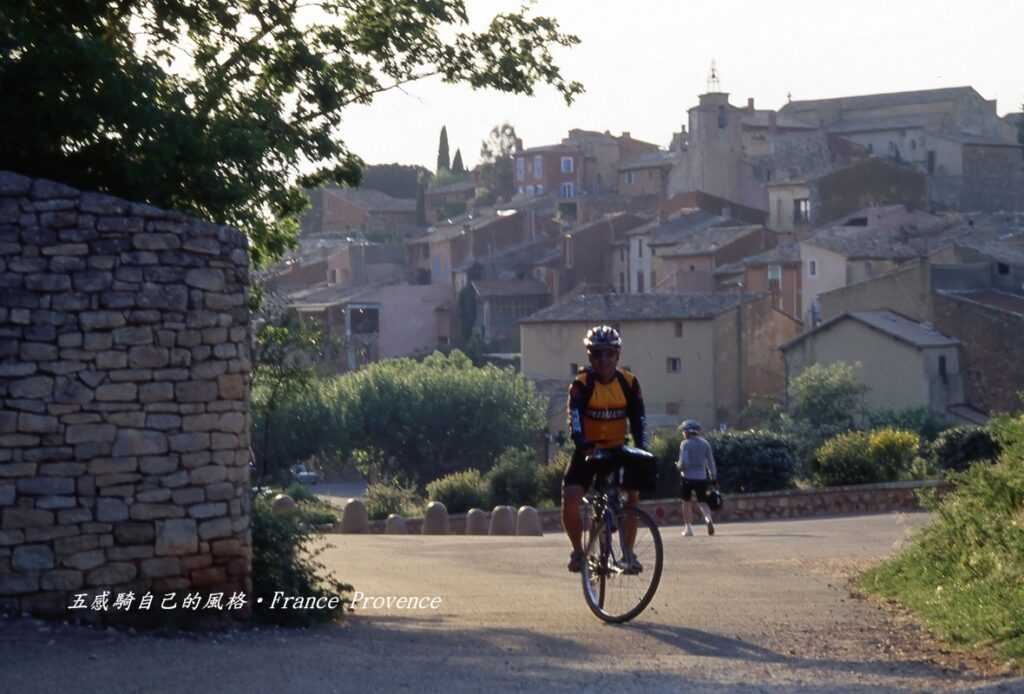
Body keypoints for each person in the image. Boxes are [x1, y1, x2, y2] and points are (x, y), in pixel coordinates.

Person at [561, 325, 650, 573]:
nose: (603, 360)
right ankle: (578, 552)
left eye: (609, 353)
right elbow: (575, 419)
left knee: (633, 496)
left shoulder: (629, 383)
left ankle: (629, 555)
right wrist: (583, 445)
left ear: (618, 355)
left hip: (617, 449)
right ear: (589, 356)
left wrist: (642, 449)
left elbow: (639, 420)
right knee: (570, 497)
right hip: (588, 451)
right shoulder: (581, 384)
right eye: (597, 354)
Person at [678, 419, 718, 536]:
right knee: (703, 501)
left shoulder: (685, 444)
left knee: (686, 502)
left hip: (687, 478)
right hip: (701, 477)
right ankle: (708, 519)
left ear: (688, 432)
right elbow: (711, 462)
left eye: (684, 431)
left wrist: (679, 466)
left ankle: (688, 528)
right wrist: (713, 476)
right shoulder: (705, 443)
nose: (683, 433)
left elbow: (684, 463)